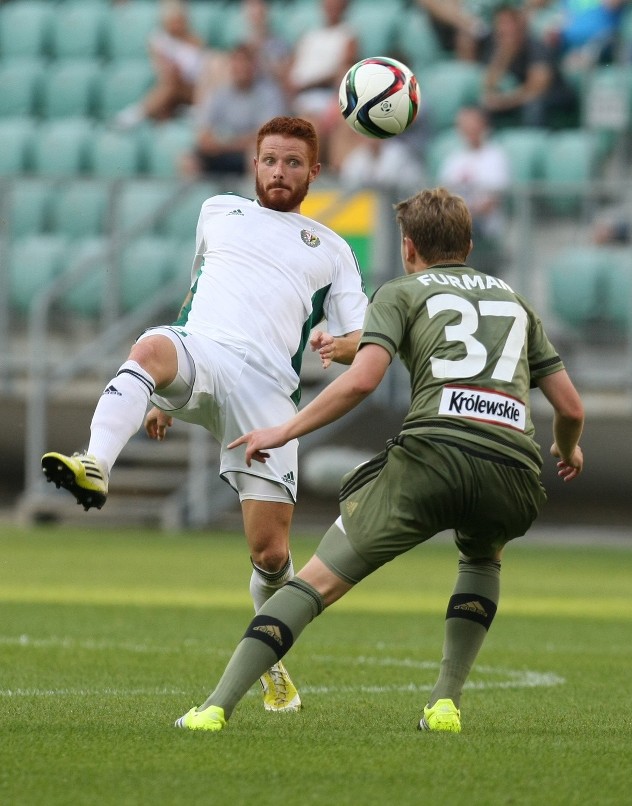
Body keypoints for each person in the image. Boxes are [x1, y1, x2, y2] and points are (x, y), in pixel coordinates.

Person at [172, 186, 585, 733]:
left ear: (408, 247)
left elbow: (365, 378)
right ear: (467, 242)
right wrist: (568, 445)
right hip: (512, 466)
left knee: (316, 582)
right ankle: (445, 704)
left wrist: (285, 428)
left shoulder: (403, 289)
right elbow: (570, 405)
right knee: (483, 558)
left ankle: (214, 708)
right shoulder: (514, 300)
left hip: (434, 456)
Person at [41, 116, 369, 715]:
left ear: (314, 173)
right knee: (146, 348)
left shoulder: (333, 248)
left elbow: (363, 340)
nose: (279, 172)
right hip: (204, 350)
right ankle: (95, 464)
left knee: (270, 554)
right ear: (254, 161)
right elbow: (195, 294)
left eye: (293, 163)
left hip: (268, 391)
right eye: (270, 160)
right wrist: (160, 392)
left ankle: (272, 663)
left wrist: (338, 346)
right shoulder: (218, 210)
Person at [180, 42, 289, 180]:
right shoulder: (220, 93)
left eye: (246, 62)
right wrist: (211, 142)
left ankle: (255, 199)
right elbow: (204, 131)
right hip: (220, 151)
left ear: (254, 66)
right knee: (188, 159)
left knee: (258, 156)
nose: (241, 67)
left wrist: (227, 145)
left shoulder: (269, 94)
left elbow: (265, 137)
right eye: (237, 62)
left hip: (245, 152)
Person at [481, 3, 579, 128]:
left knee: (534, 105)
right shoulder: (500, 51)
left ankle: (533, 142)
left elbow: (536, 89)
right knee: (486, 106)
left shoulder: (537, 47)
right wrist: (503, 55)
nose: (504, 29)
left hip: (555, 97)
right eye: (500, 24)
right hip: (521, 99)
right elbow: (488, 85)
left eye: (508, 23)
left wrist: (504, 102)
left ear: (520, 25)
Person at [113, 0, 208, 129]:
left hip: (196, 89)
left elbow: (203, 71)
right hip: (174, 87)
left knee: (171, 86)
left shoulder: (197, 40)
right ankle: (145, 114)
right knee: (170, 85)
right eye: (173, 21)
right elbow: (164, 72)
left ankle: (138, 113)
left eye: (179, 20)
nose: (176, 25)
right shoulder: (159, 41)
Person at [438, 105, 510, 272]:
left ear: (483, 125)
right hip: (456, 230)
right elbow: (443, 195)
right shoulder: (453, 159)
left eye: (472, 124)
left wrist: (463, 216)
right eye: (464, 125)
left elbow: (493, 200)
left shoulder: (495, 157)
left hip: (484, 233)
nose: (468, 129)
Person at [285, 0, 359, 157]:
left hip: (326, 100)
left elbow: (343, 70)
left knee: (310, 130)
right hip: (299, 99)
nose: (331, 7)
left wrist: (307, 85)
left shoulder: (348, 34)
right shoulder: (310, 35)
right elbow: (292, 67)